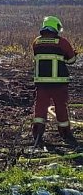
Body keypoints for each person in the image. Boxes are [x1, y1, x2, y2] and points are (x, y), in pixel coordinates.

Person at [31, 15, 79, 149]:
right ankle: (65, 134)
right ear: (55, 27)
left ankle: (38, 135)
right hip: (59, 83)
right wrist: (73, 54)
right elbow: (71, 60)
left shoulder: (36, 42)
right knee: (61, 108)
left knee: (40, 109)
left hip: (41, 83)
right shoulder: (62, 42)